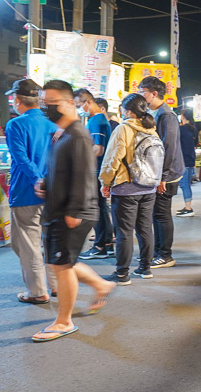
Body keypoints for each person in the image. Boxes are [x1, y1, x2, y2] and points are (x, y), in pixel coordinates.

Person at [32, 79, 114, 342]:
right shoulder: (62, 133)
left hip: (74, 212)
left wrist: (75, 210)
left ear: (70, 103)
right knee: (60, 262)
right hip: (60, 208)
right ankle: (101, 284)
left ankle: (64, 321)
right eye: (45, 103)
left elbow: (83, 175)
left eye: (52, 103)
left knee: (62, 265)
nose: (47, 108)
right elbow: (63, 170)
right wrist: (46, 183)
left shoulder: (78, 134)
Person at [4, 78, 59, 304]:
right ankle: (56, 286)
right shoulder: (52, 125)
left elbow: (21, 158)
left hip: (26, 192)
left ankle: (37, 292)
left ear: (18, 100)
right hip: (53, 193)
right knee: (49, 241)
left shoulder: (15, 125)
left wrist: (37, 179)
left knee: (28, 244)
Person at [99, 93, 162, 284]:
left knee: (124, 232)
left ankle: (121, 273)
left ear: (127, 111)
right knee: (145, 228)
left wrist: (105, 182)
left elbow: (112, 159)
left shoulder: (123, 129)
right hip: (148, 187)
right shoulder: (151, 129)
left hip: (126, 187)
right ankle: (145, 268)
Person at [136, 76, 184, 269]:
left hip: (167, 174)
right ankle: (158, 252)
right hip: (158, 173)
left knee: (162, 214)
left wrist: (162, 177)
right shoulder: (155, 113)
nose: (141, 96)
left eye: (143, 93)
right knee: (157, 214)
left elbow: (168, 147)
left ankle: (165, 255)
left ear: (153, 93)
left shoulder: (166, 115)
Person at [76, 89, 115, 260]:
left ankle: (99, 245)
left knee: (95, 208)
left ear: (88, 102)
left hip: (94, 170)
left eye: (79, 105)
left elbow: (98, 149)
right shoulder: (99, 120)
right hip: (98, 171)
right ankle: (105, 243)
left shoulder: (96, 121)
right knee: (100, 207)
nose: (79, 109)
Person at [175, 108, 197, 217]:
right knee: (187, 183)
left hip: (183, 159)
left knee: (184, 184)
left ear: (183, 116)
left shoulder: (181, 129)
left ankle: (188, 209)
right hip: (190, 158)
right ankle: (188, 206)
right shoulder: (193, 129)